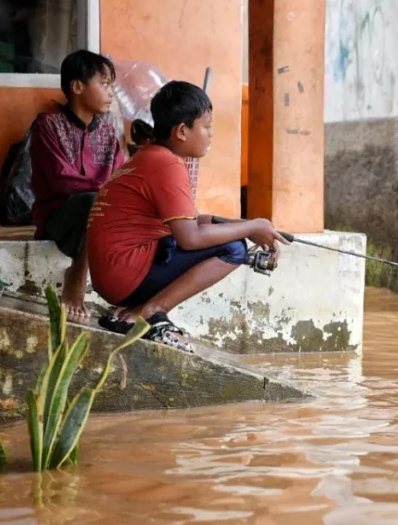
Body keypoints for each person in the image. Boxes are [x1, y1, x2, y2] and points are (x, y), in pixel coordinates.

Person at [87, 81, 289, 352]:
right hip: (124, 275)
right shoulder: (167, 165)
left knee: (231, 238)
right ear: (182, 131)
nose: (211, 134)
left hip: (113, 275)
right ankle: (152, 312)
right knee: (234, 249)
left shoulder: (150, 156)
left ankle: (130, 312)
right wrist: (249, 228)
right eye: (206, 127)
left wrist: (251, 227)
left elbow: (196, 221)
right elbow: (190, 238)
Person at [30, 50, 124, 320]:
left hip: (102, 217)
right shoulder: (48, 125)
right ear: (77, 86)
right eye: (104, 85)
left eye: (111, 86)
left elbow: (120, 178)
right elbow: (62, 179)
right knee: (93, 201)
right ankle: (76, 277)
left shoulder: (108, 132)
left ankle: (128, 296)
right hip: (61, 219)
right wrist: (106, 192)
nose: (110, 94)